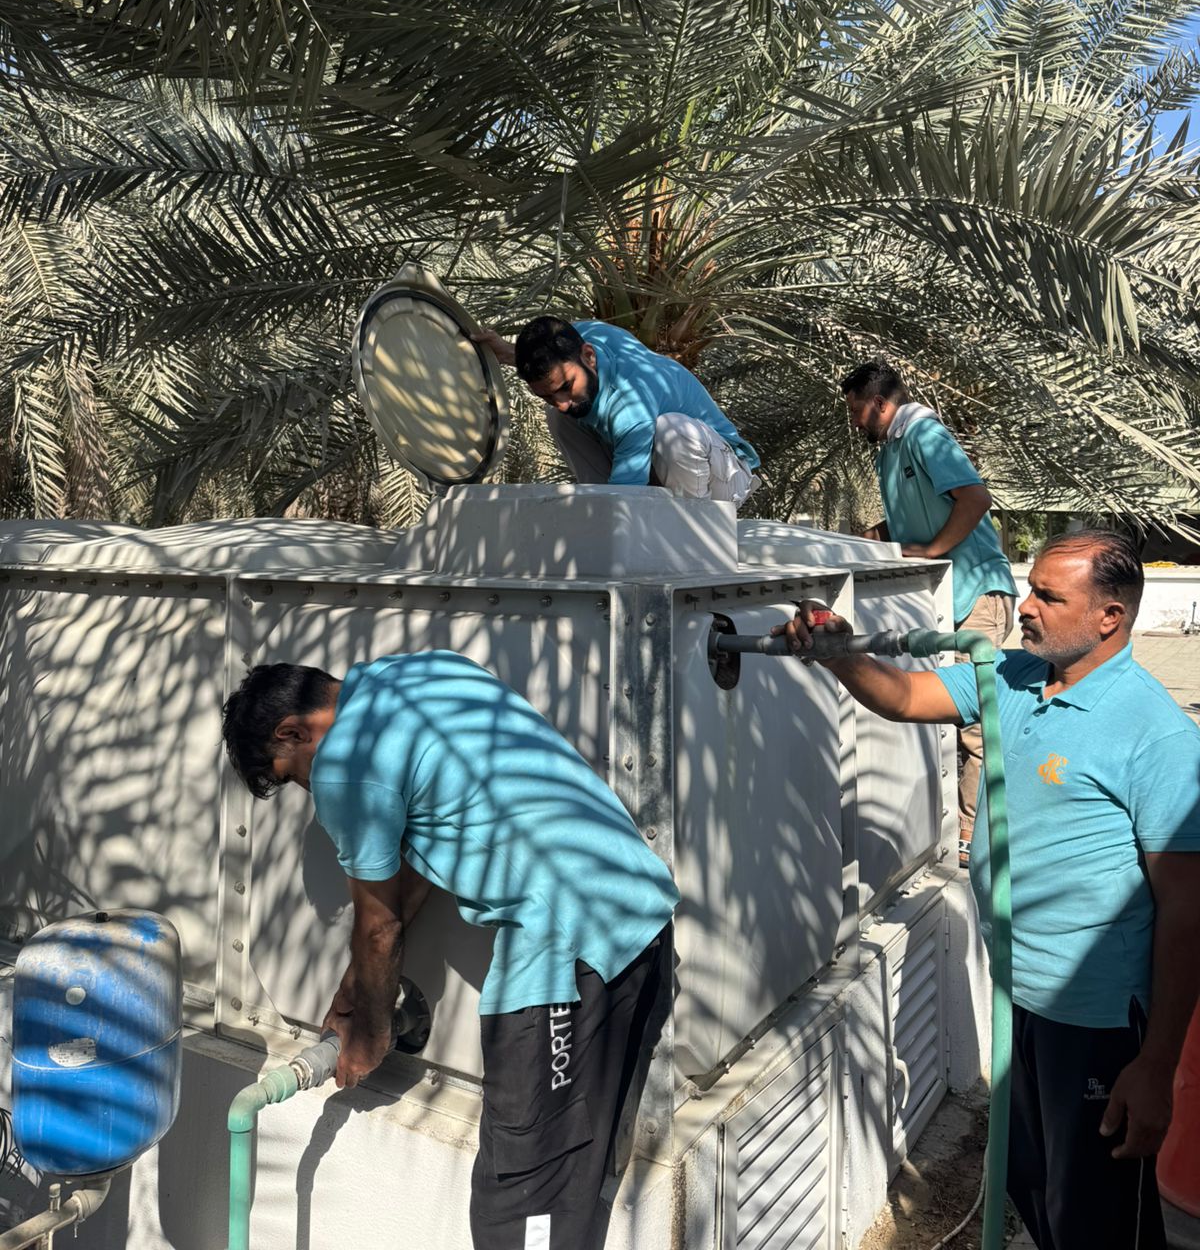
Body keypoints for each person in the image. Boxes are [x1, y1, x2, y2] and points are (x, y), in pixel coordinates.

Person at [775, 530, 1200, 1250]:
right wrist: (840, 653)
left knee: (1096, 1213)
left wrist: (1155, 1067)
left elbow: (1188, 911)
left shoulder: (1156, 736)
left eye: (1048, 597)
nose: (1024, 606)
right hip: (1015, 991)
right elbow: (905, 697)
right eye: (1030, 588)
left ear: (1110, 617)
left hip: (1098, 1016)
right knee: (1032, 1182)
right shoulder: (1012, 674)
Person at [221, 650, 678, 1250]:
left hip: (567, 952)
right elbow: (432, 849)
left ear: (292, 732)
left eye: (291, 775)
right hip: (640, 916)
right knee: (576, 1167)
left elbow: (379, 926)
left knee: (521, 1190)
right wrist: (357, 990)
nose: (308, 786)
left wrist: (370, 1036)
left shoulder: (346, 764)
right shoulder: (427, 672)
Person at [841, 358, 1016, 867]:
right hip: (945, 598)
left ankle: (972, 837)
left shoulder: (922, 432)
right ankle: (959, 827)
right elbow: (908, 521)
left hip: (976, 593)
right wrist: (866, 538)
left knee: (974, 724)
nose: (853, 421)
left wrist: (935, 550)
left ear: (879, 404)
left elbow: (975, 498)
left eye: (855, 410)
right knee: (948, 713)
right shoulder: (890, 449)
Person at [475, 316, 760, 505]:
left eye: (566, 387)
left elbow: (627, 496)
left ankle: (694, 529)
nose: (560, 401)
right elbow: (550, 366)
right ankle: (598, 499)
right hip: (660, 468)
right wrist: (507, 353)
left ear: (589, 356)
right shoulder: (575, 339)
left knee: (672, 430)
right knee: (561, 417)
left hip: (722, 478)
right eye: (547, 395)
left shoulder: (632, 403)